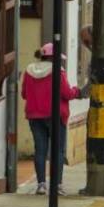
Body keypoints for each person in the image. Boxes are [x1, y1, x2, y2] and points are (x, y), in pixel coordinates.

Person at [22, 43, 84, 196]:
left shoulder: (29, 71)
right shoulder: (58, 71)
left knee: (40, 150)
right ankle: (57, 185)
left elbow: (24, 94)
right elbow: (67, 93)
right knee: (58, 150)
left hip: (34, 115)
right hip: (55, 116)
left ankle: (41, 185)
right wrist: (78, 91)